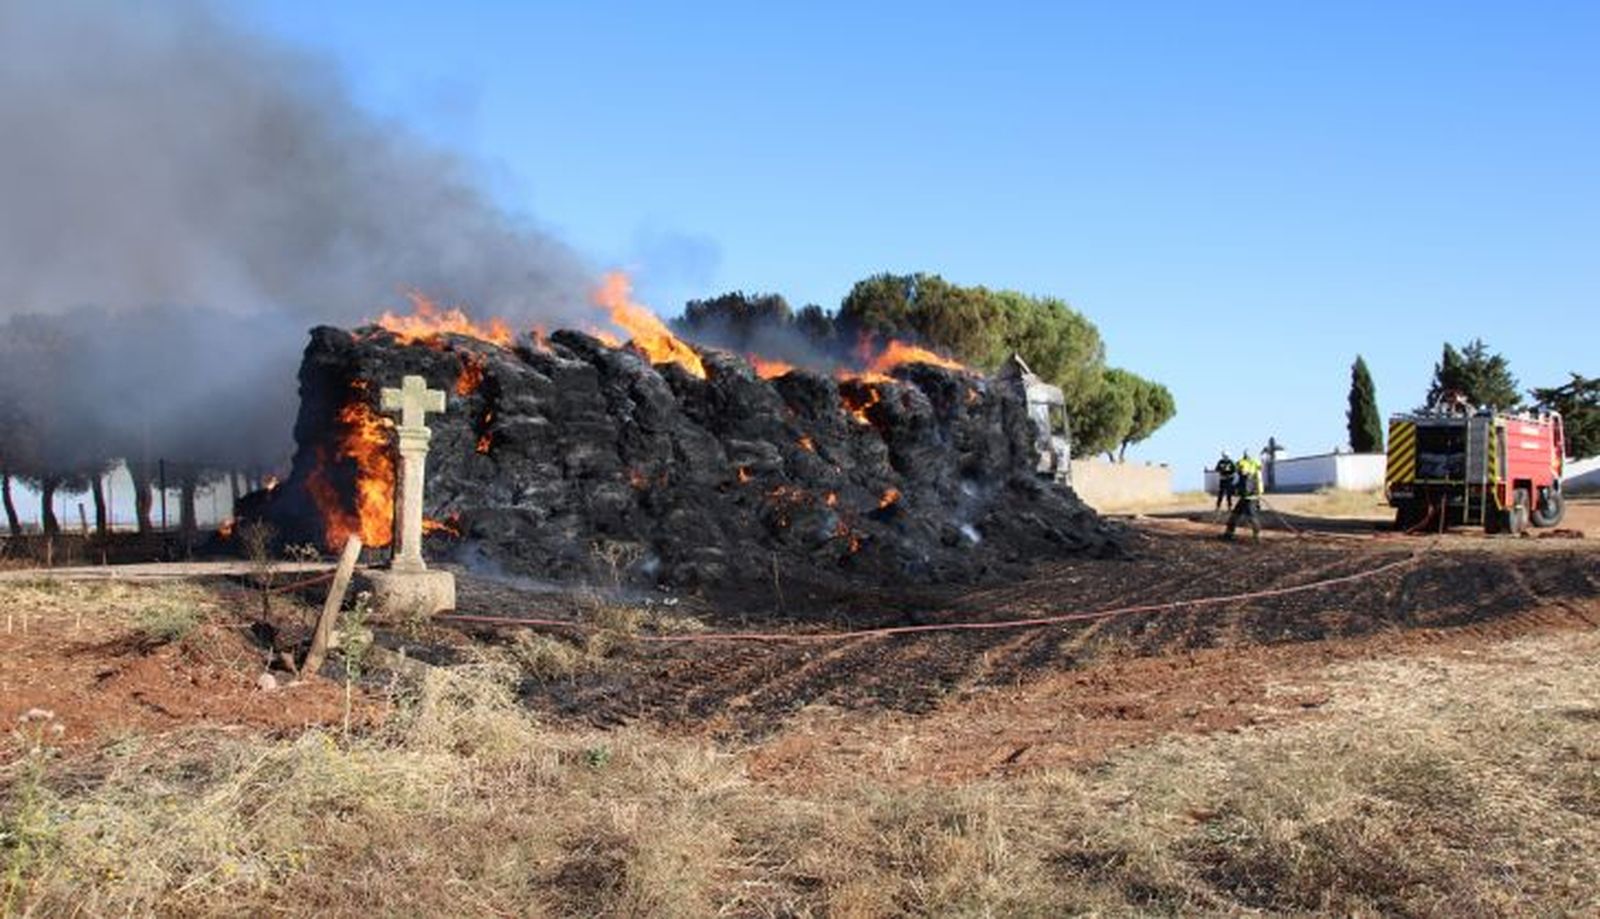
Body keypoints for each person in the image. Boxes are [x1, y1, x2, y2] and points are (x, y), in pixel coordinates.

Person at [1223, 451, 1263, 542]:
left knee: (1248, 516)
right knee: (1239, 515)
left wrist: (1232, 488)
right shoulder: (1256, 465)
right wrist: (1259, 494)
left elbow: (1236, 480)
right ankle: (1229, 534)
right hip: (1249, 496)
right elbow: (1258, 481)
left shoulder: (1243, 465)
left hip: (1248, 497)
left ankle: (1256, 536)